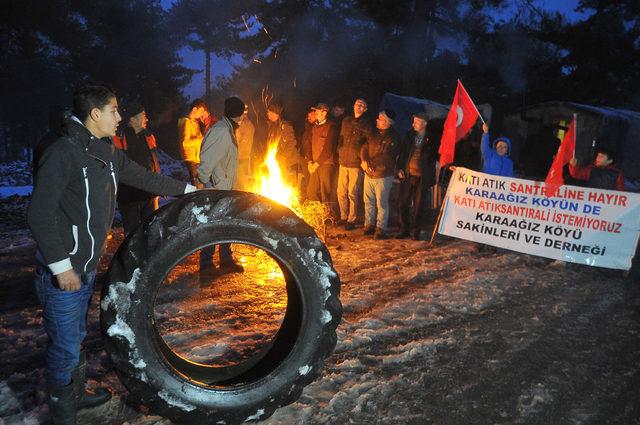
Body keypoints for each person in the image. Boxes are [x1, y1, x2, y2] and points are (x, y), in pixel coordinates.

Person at [27, 85, 196, 424]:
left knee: (75, 336)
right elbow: (39, 213)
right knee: (64, 345)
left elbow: (145, 177)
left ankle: (77, 396)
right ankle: (64, 413)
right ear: (95, 114)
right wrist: (62, 268)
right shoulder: (64, 153)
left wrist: (191, 191)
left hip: (84, 268)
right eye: (114, 110)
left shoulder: (104, 151)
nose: (120, 117)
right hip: (64, 271)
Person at [196, 96, 246, 278]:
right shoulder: (221, 131)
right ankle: (207, 263)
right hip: (217, 188)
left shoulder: (228, 129)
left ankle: (226, 259)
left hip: (225, 186)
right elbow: (207, 158)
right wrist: (201, 180)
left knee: (226, 225)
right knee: (213, 225)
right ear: (239, 114)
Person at [113, 102, 162, 235]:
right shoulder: (118, 138)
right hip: (129, 196)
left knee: (151, 230)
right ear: (132, 118)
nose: (146, 119)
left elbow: (154, 162)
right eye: (143, 115)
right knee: (132, 234)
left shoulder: (149, 136)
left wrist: (157, 187)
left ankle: (150, 255)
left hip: (148, 193)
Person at [396, 112, 439, 240]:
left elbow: (436, 156)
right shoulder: (409, 135)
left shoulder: (432, 138)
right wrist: (399, 168)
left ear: (424, 123)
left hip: (422, 177)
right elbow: (402, 153)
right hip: (408, 175)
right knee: (403, 203)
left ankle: (415, 231)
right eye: (413, 121)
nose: (413, 124)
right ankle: (404, 229)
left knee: (418, 206)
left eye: (416, 121)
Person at [360, 109, 400, 239]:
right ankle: (369, 224)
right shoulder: (374, 133)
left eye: (380, 119)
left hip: (383, 174)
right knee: (368, 201)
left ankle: (380, 228)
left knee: (381, 203)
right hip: (369, 173)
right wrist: (364, 160)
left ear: (388, 122)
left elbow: (387, 156)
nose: (377, 120)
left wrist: (370, 162)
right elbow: (364, 147)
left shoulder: (393, 137)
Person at [336, 98, 371, 230]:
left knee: (352, 193)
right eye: (357, 104)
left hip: (355, 164)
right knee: (340, 191)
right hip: (343, 161)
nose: (359, 107)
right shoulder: (346, 121)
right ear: (353, 106)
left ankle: (352, 219)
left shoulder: (366, 124)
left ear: (365, 109)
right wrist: (339, 150)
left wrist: (361, 157)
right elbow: (341, 138)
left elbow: (367, 143)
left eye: (362, 105)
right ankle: (343, 217)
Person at [303, 103, 339, 210]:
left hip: (325, 164)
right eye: (315, 111)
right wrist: (310, 161)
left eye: (317, 111)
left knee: (325, 191)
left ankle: (327, 215)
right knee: (312, 190)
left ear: (324, 113)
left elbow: (328, 149)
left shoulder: (331, 127)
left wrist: (316, 164)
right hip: (314, 163)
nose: (315, 113)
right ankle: (314, 213)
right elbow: (308, 144)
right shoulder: (314, 126)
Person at [266, 101, 303, 186]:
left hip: (285, 159)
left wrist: (284, 156)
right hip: (275, 158)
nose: (267, 113)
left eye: (269, 111)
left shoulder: (285, 126)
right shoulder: (271, 125)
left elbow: (292, 142)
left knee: (281, 179)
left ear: (275, 113)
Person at [178, 98, 208, 186]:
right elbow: (184, 143)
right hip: (191, 159)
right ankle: (197, 200)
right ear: (195, 109)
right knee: (198, 186)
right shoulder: (185, 122)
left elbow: (200, 136)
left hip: (196, 158)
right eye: (200, 111)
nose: (201, 114)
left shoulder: (195, 122)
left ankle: (199, 199)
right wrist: (200, 139)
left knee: (200, 185)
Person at [236, 105, 255, 190]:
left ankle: (242, 199)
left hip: (241, 158)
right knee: (236, 181)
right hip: (236, 157)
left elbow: (245, 144)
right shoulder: (238, 123)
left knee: (240, 182)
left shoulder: (248, 125)